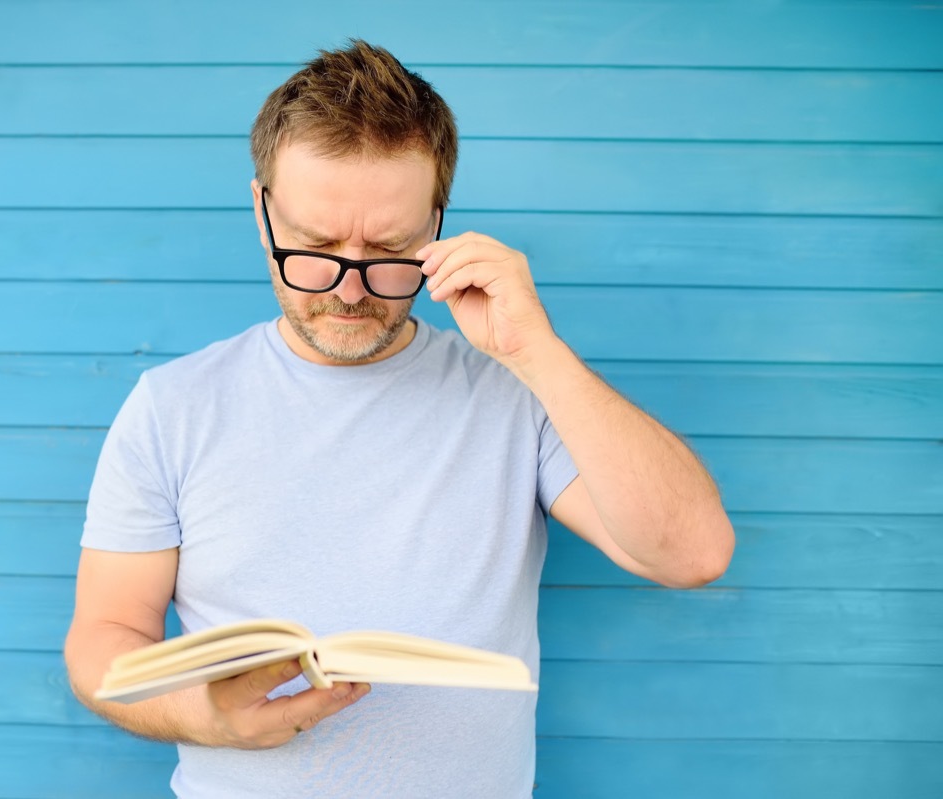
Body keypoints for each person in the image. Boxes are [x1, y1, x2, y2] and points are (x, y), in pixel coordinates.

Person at [64, 40, 734, 798]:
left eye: (388, 249)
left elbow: (693, 554)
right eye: (316, 247)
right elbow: (104, 639)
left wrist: (538, 353)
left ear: (438, 224)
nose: (350, 291)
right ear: (262, 212)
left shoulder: (516, 393)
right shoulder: (172, 406)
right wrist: (205, 716)